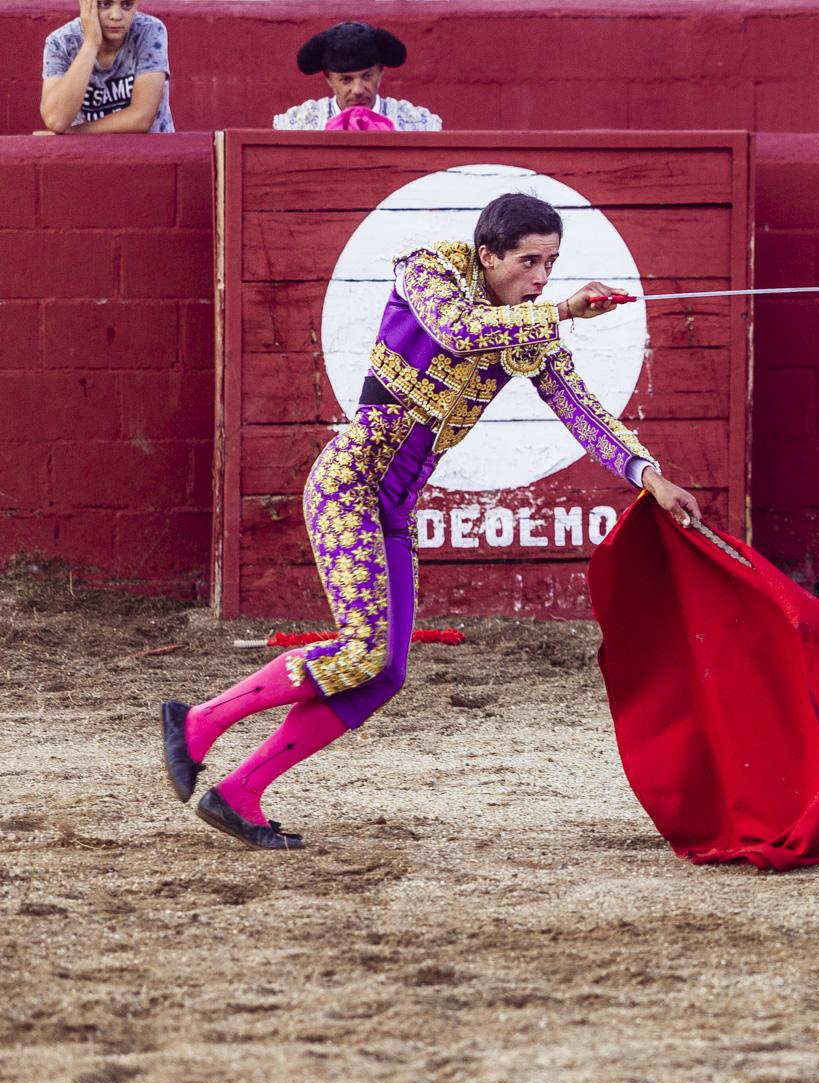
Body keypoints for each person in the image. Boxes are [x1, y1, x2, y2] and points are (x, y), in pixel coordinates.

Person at [160, 193, 701, 850]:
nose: (540, 277)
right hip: (350, 484)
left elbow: (583, 413)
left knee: (383, 672)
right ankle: (198, 724)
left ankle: (240, 791)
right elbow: (460, 332)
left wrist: (649, 476)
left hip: (393, 507)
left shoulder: (530, 332)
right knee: (362, 650)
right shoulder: (430, 270)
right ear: (487, 254)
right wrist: (557, 310)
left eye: (551, 264)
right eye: (529, 261)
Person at [273, 21, 439, 131]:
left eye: (367, 76)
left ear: (380, 72)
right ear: (328, 79)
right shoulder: (299, 124)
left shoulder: (418, 123)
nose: (358, 90)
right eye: (346, 80)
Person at [40, 0, 173, 135]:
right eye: (105, 4)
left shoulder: (148, 30)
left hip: (147, 152)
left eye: (127, 5)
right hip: (89, 153)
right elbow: (56, 120)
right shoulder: (61, 42)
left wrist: (73, 132)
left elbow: (142, 117)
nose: (116, 16)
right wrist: (91, 43)